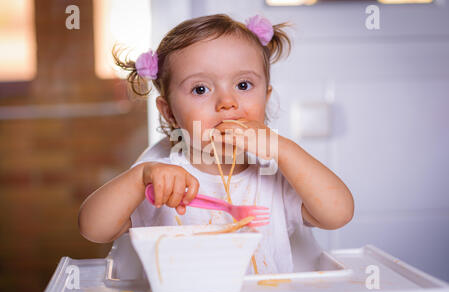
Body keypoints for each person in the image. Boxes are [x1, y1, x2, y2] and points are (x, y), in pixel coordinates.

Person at [78, 14, 354, 274]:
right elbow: (93, 229)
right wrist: (139, 178)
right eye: (200, 89)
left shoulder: (276, 171)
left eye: (243, 85)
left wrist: (285, 149)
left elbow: (338, 214)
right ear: (169, 112)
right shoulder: (159, 173)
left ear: (266, 98)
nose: (227, 102)